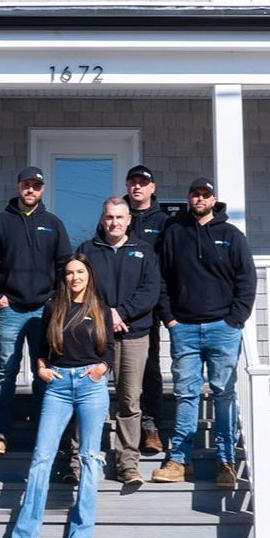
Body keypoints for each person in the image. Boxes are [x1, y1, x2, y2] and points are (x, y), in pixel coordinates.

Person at [151, 178, 257, 489]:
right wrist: (169, 318)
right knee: (186, 394)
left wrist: (235, 320)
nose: (200, 199)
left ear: (213, 199)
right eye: (195, 194)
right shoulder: (174, 232)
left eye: (205, 195)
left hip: (222, 329)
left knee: (223, 394)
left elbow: (246, 280)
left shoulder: (231, 235)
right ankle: (181, 462)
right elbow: (161, 278)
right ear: (188, 197)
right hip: (183, 328)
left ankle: (226, 462)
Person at [11, 255, 114, 538]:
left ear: (89, 275)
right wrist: (41, 368)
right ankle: (26, 533)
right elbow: (43, 348)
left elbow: (110, 349)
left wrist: (101, 369)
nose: (74, 277)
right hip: (57, 386)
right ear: (64, 278)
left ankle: (81, 531)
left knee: (90, 458)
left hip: (90, 385)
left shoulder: (100, 309)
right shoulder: (54, 308)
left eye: (80, 271)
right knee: (42, 456)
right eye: (69, 273)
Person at [0, 166, 72, 454]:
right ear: (18, 187)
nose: (31, 190)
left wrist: (56, 302)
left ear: (42, 190)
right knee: (6, 373)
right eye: (26, 185)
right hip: (11, 311)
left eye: (37, 186)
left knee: (44, 371)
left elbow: (64, 267)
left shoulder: (53, 224)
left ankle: (44, 433)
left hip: (44, 311)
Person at [77, 197, 160, 485]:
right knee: (86, 399)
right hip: (94, 335)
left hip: (134, 334)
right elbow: (79, 288)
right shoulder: (87, 250)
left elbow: (151, 290)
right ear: (103, 219)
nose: (114, 222)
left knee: (129, 400)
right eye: (109, 217)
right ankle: (79, 462)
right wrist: (104, 315)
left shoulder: (144, 251)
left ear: (129, 221)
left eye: (119, 217)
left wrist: (120, 313)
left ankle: (128, 464)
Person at [123, 165, 170, 454]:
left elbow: (168, 267)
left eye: (143, 183)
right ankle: (120, 426)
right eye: (133, 182)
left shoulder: (164, 222)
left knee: (150, 368)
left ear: (152, 187)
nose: (137, 187)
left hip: (149, 309)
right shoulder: (116, 217)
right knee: (114, 369)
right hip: (117, 308)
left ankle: (151, 427)